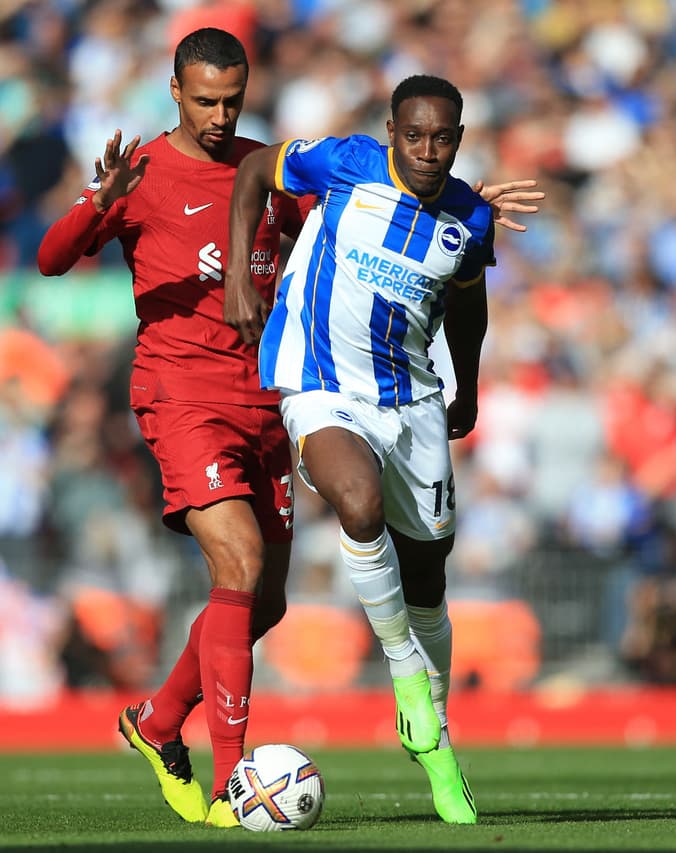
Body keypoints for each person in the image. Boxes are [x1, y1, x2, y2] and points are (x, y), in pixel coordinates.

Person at [39, 31, 540, 827]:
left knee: (263, 600)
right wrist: (98, 202)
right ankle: (231, 785)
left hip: (266, 397)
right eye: (204, 99)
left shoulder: (273, 167)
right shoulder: (143, 172)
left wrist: (456, 197)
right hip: (183, 395)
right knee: (237, 565)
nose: (220, 113)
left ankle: (159, 722)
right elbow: (49, 258)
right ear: (174, 90)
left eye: (232, 98)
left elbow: (378, 216)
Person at [225, 74, 507, 824]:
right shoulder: (344, 162)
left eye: (442, 137)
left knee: (427, 578)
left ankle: (435, 732)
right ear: (391, 130)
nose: (426, 150)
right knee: (357, 502)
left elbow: (469, 303)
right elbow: (256, 171)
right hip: (320, 384)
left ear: (458, 139)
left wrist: (466, 388)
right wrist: (240, 279)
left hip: (412, 400)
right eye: (413, 135)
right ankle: (404, 674)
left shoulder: (471, 218)